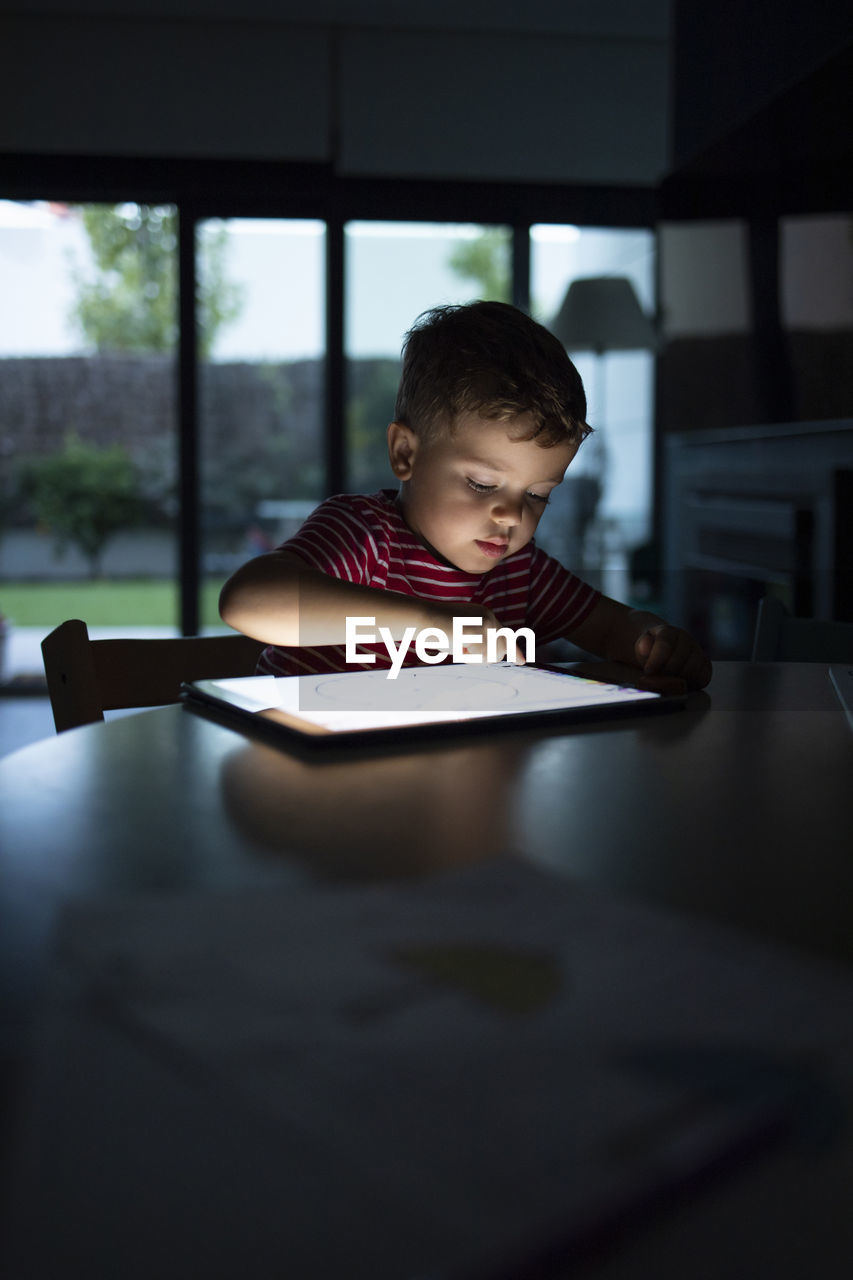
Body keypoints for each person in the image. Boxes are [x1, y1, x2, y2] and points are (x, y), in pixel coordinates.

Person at [219, 301, 711, 690]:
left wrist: (655, 640)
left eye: (539, 495)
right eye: (481, 484)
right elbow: (248, 601)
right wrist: (431, 622)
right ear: (406, 454)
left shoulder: (521, 572)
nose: (512, 514)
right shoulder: (366, 536)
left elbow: (613, 628)